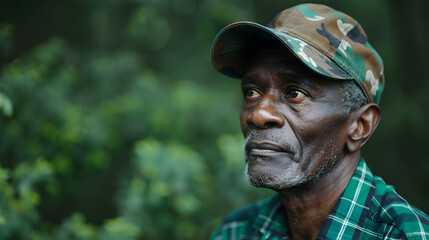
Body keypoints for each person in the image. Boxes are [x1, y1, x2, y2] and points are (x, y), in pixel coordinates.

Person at [210, 3, 429, 240]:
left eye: (295, 94)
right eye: (252, 92)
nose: (259, 115)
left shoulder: (407, 235)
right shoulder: (236, 232)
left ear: (360, 126)